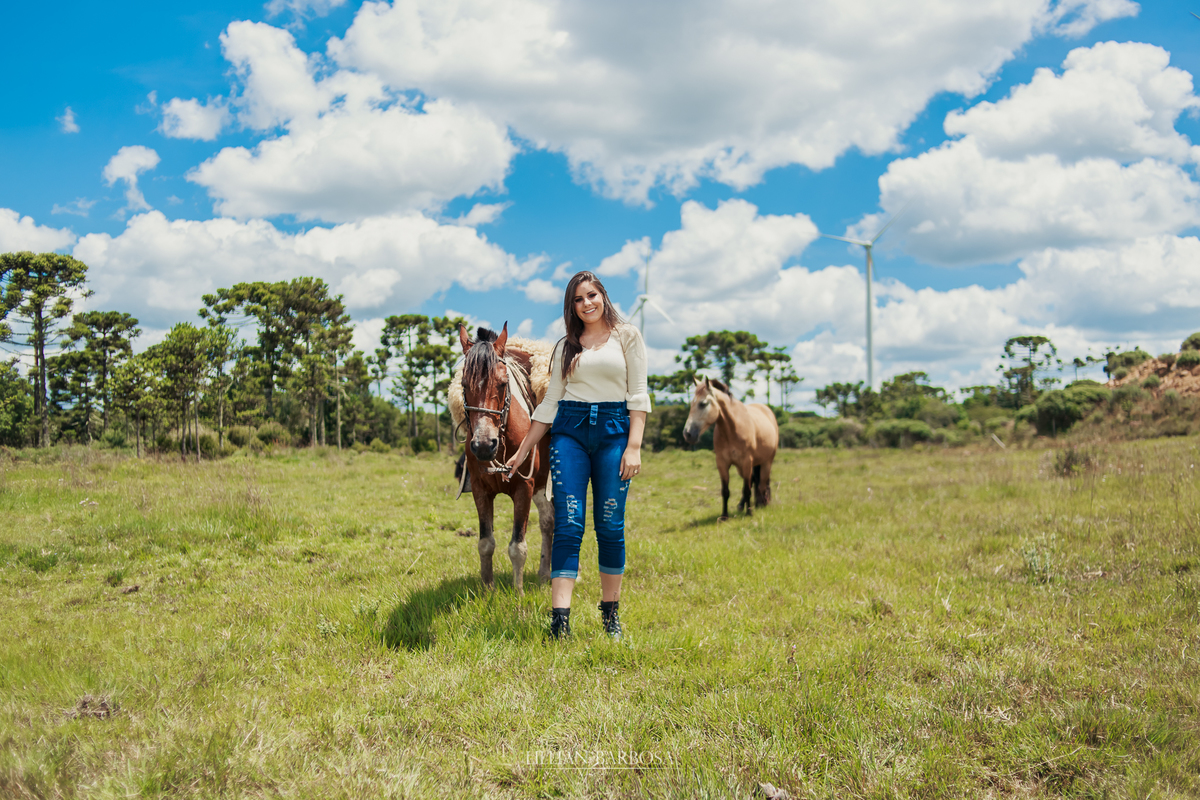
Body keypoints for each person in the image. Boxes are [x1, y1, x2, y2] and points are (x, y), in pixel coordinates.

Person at [505, 270, 650, 639]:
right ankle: (559, 622)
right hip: (569, 432)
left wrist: (634, 445)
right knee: (569, 525)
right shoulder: (566, 345)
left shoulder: (627, 337)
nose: (586, 304)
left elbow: (638, 395)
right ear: (571, 306)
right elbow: (551, 401)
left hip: (615, 432)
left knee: (610, 528)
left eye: (592, 295)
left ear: (603, 295)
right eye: (578, 299)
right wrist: (523, 450)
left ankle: (610, 615)